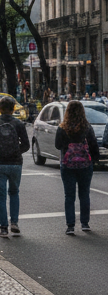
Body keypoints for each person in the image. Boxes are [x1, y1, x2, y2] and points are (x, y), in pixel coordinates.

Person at [0, 95, 30, 239]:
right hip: (15, 163)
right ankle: (14, 222)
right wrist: (15, 151)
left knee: (0, 196)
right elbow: (26, 145)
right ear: (13, 109)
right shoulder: (18, 124)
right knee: (14, 192)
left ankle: (3, 228)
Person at [55, 100, 100, 234]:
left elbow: (57, 145)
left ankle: (70, 226)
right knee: (84, 194)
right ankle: (85, 223)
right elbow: (94, 145)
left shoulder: (63, 128)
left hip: (67, 165)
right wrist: (94, 160)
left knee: (69, 196)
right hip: (85, 165)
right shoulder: (87, 127)